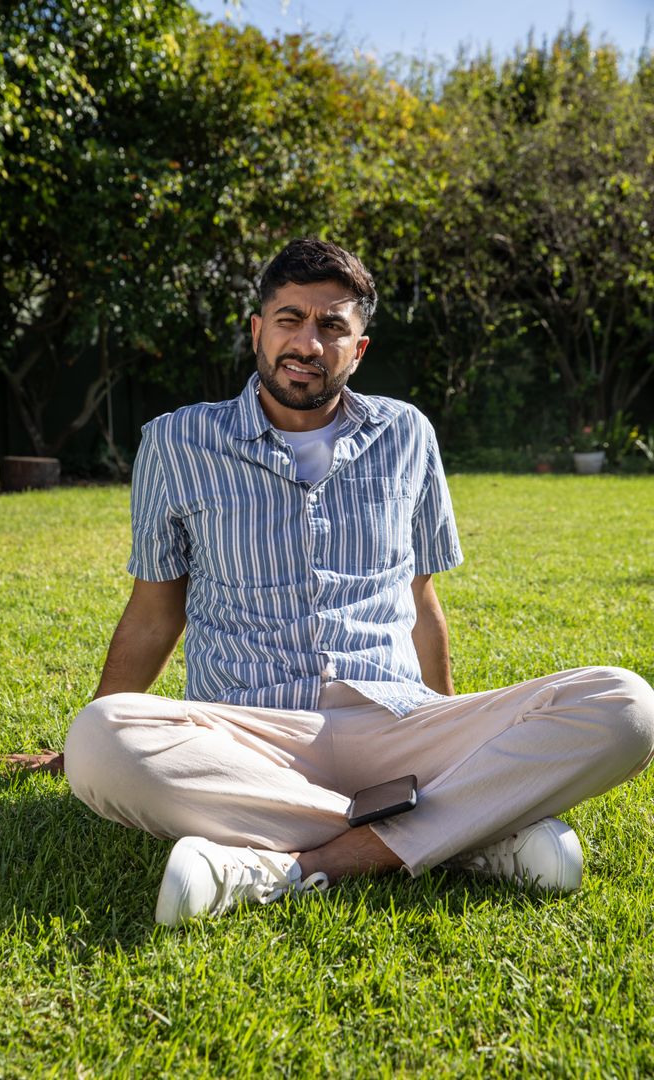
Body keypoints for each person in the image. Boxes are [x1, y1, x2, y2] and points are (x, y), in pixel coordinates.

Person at [62, 238, 654, 927]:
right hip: (250, 733)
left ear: (359, 348)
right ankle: (464, 835)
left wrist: (449, 730)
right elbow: (152, 614)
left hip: (395, 721)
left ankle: (294, 863)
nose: (306, 343)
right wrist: (77, 743)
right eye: (289, 320)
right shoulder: (176, 442)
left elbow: (420, 600)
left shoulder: (407, 433)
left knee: (626, 703)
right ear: (258, 331)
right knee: (102, 738)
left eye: (331, 326)